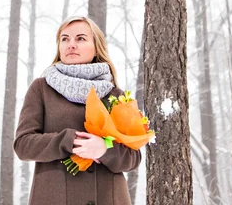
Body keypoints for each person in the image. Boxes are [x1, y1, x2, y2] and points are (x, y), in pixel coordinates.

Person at [14, 16, 141, 205]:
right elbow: (23, 146)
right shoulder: (41, 89)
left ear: (96, 47)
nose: (71, 44)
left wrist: (104, 148)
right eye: (65, 39)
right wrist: (68, 140)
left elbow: (133, 157)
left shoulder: (116, 94)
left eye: (80, 38)